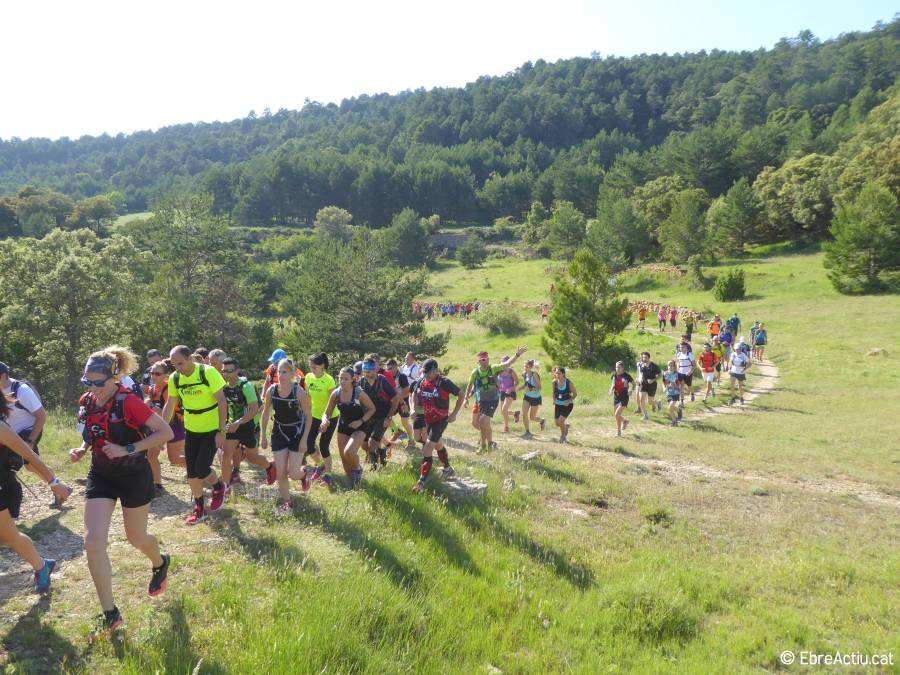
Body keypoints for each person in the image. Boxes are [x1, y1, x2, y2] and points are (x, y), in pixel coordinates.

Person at [70, 346, 174, 640]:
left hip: (133, 475)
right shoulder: (88, 401)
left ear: (115, 377)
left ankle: (160, 562)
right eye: (87, 382)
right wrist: (82, 449)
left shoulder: (129, 402)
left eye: (98, 382)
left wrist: (127, 448)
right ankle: (110, 614)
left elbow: (164, 432)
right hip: (101, 475)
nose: (92, 388)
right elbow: (92, 434)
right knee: (93, 543)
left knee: (136, 538)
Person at [1, 394, 71, 594]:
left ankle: (41, 566)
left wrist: (54, 482)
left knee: (9, 537)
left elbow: (29, 455)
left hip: (2, 487)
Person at [162, 345, 229, 525]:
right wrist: (161, 428)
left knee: (201, 468)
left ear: (191, 358)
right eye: (174, 365)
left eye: (181, 363)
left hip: (211, 428)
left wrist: (221, 432)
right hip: (191, 429)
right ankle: (199, 510)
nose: (178, 368)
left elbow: (222, 403)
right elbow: (170, 404)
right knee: (192, 472)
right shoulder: (175, 379)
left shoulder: (207, 373)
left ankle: (219, 486)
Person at [259, 358, 312, 515]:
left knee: (293, 473)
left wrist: (304, 440)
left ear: (292, 374)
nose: (281, 375)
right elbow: (266, 412)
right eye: (279, 371)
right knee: (281, 472)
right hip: (279, 433)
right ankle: (287, 502)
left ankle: (303, 475)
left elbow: (308, 417)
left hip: (296, 433)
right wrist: (263, 435)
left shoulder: (299, 392)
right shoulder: (272, 391)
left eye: (285, 372)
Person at [221, 357, 276, 488]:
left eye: (229, 371)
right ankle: (225, 487)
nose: (226, 374)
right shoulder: (223, 388)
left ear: (237, 371)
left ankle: (270, 467)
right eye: (224, 371)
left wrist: (238, 422)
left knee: (253, 458)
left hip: (249, 426)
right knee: (226, 455)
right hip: (233, 426)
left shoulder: (246, 386)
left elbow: (254, 409)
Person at [412, 359, 464, 493]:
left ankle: (421, 482)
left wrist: (454, 413)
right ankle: (447, 469)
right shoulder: (421, 381)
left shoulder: (444, 382)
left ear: (436, 371)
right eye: (424, 372)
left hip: (441, 419)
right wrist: (413, 408)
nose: (426, 375)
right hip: (428, 419)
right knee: (438, 444)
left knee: (427, 449)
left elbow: (461, 394)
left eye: (428, 373)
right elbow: (413, 393)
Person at [320, 367, 376, 488]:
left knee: (349, 452)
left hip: (360, 425)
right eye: (341, 378)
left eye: (346, 379)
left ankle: (358, 469)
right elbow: (327, 412)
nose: (343, 381)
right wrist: (325, 421)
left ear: (352, 380)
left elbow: (372, 409)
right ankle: (354, 484)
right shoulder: (336, 394)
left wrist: (360, 421)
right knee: (344, 458)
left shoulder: (358, 393)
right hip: (344, 425)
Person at [464, 347, 527, 451]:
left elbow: (507, 364)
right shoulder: (475, 372)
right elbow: (470, 385)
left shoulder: (493, 368)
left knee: (483, 421)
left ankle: (484, 446)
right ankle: (487, 445)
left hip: (492, 400)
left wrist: (517, 354)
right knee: (482, 423)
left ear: (488, 359)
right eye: (482, 359)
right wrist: (466, 398)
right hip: (481, 400)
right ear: (478, 361)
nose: (485, 361)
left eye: (486, 359)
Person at [0, 362, 47, 485]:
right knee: (31, 465)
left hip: (28, 431)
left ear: (3, 375)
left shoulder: (22, 390)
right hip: (9, 434)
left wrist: (30, 441)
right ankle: (57, 486)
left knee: (30, 463)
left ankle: (57, 487)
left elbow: (42, 416)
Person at [145, 359, 187, 496]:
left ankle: (200, 468)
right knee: (151, 455)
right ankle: (157, 486)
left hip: (174, 426)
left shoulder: (169, 388)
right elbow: (148, 406)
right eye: (151, 373)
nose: (153, 376)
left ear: (165, 375)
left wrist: (151, 407)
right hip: (158, 427)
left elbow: (167, 410)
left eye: (157, 373)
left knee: (174, 459)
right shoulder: (152, 388)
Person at [302, 353, 338, 489]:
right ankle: (321, 465)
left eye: (315, 367)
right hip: (314, 415)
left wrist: (326, 420)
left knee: (323, 446)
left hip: (330, 416)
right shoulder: (308, 377)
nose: (312, 369)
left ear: (322, 366)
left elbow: (332, 402)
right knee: (308, 443)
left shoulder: (329, 380)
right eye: (310, 367)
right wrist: (306, 413)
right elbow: (308, 397)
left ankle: (328, 475)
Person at [358, 358, 399, 469]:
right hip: (368, 417)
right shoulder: (361, 382)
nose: (366, 374)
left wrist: (389, 417)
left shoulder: (382, 380)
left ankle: (374, 468)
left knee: (371, 445)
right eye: (364, 371)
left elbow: (395, 398)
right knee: (364, 445)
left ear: (375, 370)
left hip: (382, 416)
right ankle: (381, 452)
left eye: (368, 372)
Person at [385, 358, 414, 449]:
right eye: (388, 369)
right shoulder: (386, 377)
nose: (390, 370)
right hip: (393, 402)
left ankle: (411, 440)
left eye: (392, 368)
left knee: (405, 422)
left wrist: (399, 400)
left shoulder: (402, 377)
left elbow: (406, 392)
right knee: (387, 418)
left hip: (403, 402)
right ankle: (397, 431)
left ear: (396, 367)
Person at [520, 359, 545, 439]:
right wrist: (517, 389)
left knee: (532, 417)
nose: (525, 368)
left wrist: (530, 389)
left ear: (531, 367)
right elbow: (526, 385)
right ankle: (527, 432)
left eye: (527, 367)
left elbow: (539, 388)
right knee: (524, 414)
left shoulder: (535, 375)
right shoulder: (524, 374)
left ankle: (541, 421)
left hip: (535, 398)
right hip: (527, 396)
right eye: (524, 366)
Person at [552, 366, 577, 443]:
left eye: (558, 373)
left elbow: (575, 394)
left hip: (567, 405)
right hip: (558, 404)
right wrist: (554, 400)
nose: (557, 375)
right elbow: (553, 392)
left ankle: (563, 437)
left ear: (563, 374)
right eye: (556, 373)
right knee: (557, 423)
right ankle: (565, 427)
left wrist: (569, 401)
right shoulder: (554, 382)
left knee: (561, 421)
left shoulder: (568, 382)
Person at [609, 362, 634, 437]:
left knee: (617, 414)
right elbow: (613, 384)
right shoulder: (614, 374)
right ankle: (622, 426)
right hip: (616, 396)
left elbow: (634, 384)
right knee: (616, 415)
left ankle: (620, 429)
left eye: (619, 367)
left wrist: (631, 390)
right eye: (616, 367)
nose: (617, 369)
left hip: (624, 397)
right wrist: (610, 390)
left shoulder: (626, 376)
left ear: (623, 368)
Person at [497, 356, 519, 433]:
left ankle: (506, 427)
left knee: (504, 409)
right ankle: (515, 413)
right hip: (502, 392)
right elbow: (498, 381)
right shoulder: (499, 371)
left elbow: (517, 382)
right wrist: (498, 387)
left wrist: (511, 388)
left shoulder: (511, 371)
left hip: (510, 392)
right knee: (502, 412)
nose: (503, 364)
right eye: (502, 362)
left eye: (505, 362)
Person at [636, 352, 661, 421]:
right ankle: (645, 415)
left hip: (652, 385)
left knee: (650, 402)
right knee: (641, 399)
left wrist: (653, 380)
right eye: (643, 357)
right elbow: (640, 374)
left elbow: (660, 374)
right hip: (643, 385)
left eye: (646, 358)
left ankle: (657, 402)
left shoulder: (654, 366)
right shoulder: (641, 365)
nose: (644, 359)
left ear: (649, 358)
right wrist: (639, 379)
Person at [675, 342, 696, 411]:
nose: (681, 348)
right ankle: (682, 401)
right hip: (680, 372)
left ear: (686, 348)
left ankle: (692, 394)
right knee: (681, 386)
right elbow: (678, 362)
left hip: (688, 373)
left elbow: (694, 365)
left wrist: (690, 372)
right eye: (680, 347)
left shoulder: (690, 355)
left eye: (683, 347)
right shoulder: (678, 354)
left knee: (689, 386)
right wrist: (677, 370)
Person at [663, 360, 682, 426]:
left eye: (671, 365)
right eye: (669, 365)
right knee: (671, 408)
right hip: (668, 393)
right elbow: (664, 383)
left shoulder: (677, 374)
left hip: (675, 393)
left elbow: (680, 385)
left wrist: (675, 385)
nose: (670, 367)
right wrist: (664, 388)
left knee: (669, 408)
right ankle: (679, 410)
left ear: (674, 366)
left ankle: (674, 422)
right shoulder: (665, 373)